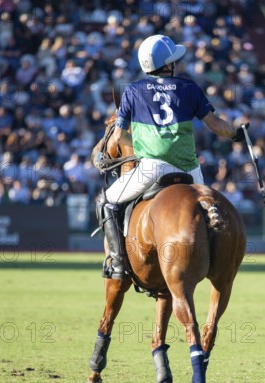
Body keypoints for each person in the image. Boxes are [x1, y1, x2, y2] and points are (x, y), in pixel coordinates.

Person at [97, 35, 247, 279]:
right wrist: (236, 135)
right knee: (210, 208)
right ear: (168, 64)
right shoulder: (189, 88)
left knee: (105, 201)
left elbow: (116, 140)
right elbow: (216, 125)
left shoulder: (133, 91)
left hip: (151, 168)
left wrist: (141, 143)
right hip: (190, 171)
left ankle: (117, 264)